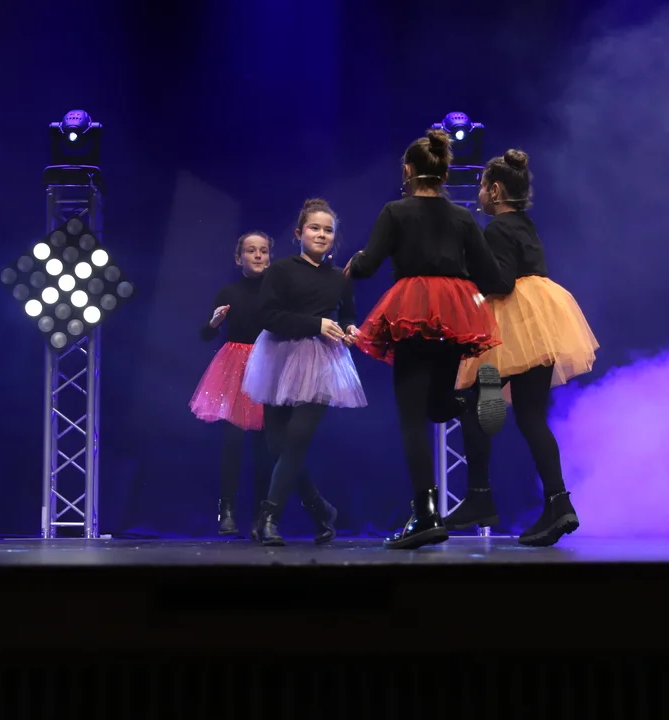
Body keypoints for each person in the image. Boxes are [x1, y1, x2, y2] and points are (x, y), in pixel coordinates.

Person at [346, 129, 509, 550]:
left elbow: (369, 264)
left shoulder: (396, 211)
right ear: (444, 173)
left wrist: (353, 265)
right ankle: (470, 402)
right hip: (454, 311)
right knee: (438, 404)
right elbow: (492, 276)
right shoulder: (462, 217)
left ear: (407, 171)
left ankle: (426, 514)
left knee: (412, 417)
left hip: (413, 309)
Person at [451, 149, 599, 547]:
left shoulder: (496, 229)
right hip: (542, 320)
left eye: (482, 187)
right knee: (531, 416)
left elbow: (501, 283)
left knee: (469, 399)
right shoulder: (525, 224)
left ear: (495, 191)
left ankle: (479, 495)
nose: (480, 194)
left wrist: (472, 278)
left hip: (514, 324)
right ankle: (559, 502)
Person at [241, 198, 367, 546]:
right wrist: (315, 323)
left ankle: (269, 518)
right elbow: (268, 316)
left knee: (296, 439)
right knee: (277, 445)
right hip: (278, 356)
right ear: (299, 233)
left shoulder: (339, 278)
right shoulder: (281, 270)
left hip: (321, 362)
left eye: (328, 230)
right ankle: (320, 509)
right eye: (315, 228)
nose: (322, 234)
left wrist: (350, 328)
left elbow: (347, 314)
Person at [190, 231, 276, 540]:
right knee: (233, 442)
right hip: (235, 368)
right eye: (251, 250)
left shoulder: (276, 291)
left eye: (263, 250)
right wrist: (214, 321)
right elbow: (206, 334)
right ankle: (226, 510)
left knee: (265, 447)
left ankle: (261, 517)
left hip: (267, 366)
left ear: (270, 257)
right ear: (239, 258)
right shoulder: (229, 291)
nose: (258, 255)